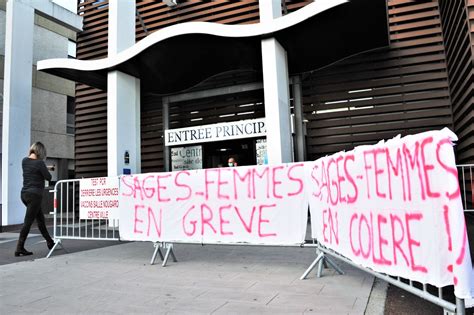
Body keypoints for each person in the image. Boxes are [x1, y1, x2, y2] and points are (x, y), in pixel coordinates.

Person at [15, 142, 55, 256]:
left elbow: (34, 166)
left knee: (40, 220)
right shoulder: (40, 163)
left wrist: (46, 167)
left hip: (24, 194)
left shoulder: (24, 161)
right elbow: (49, 177)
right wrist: (46, 168)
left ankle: (50, 242)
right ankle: (19, 248)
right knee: (28, 222)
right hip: (35, 196)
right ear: (41, 152)